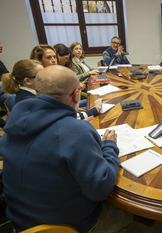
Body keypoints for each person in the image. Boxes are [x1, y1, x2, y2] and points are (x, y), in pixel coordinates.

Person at [0, 65, 133, 232]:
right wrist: (109, 145)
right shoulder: (76, 131)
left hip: (20, 223)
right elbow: (101, 188)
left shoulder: (16, 120)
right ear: (77, 94)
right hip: (65, 227)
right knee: (125, 214)